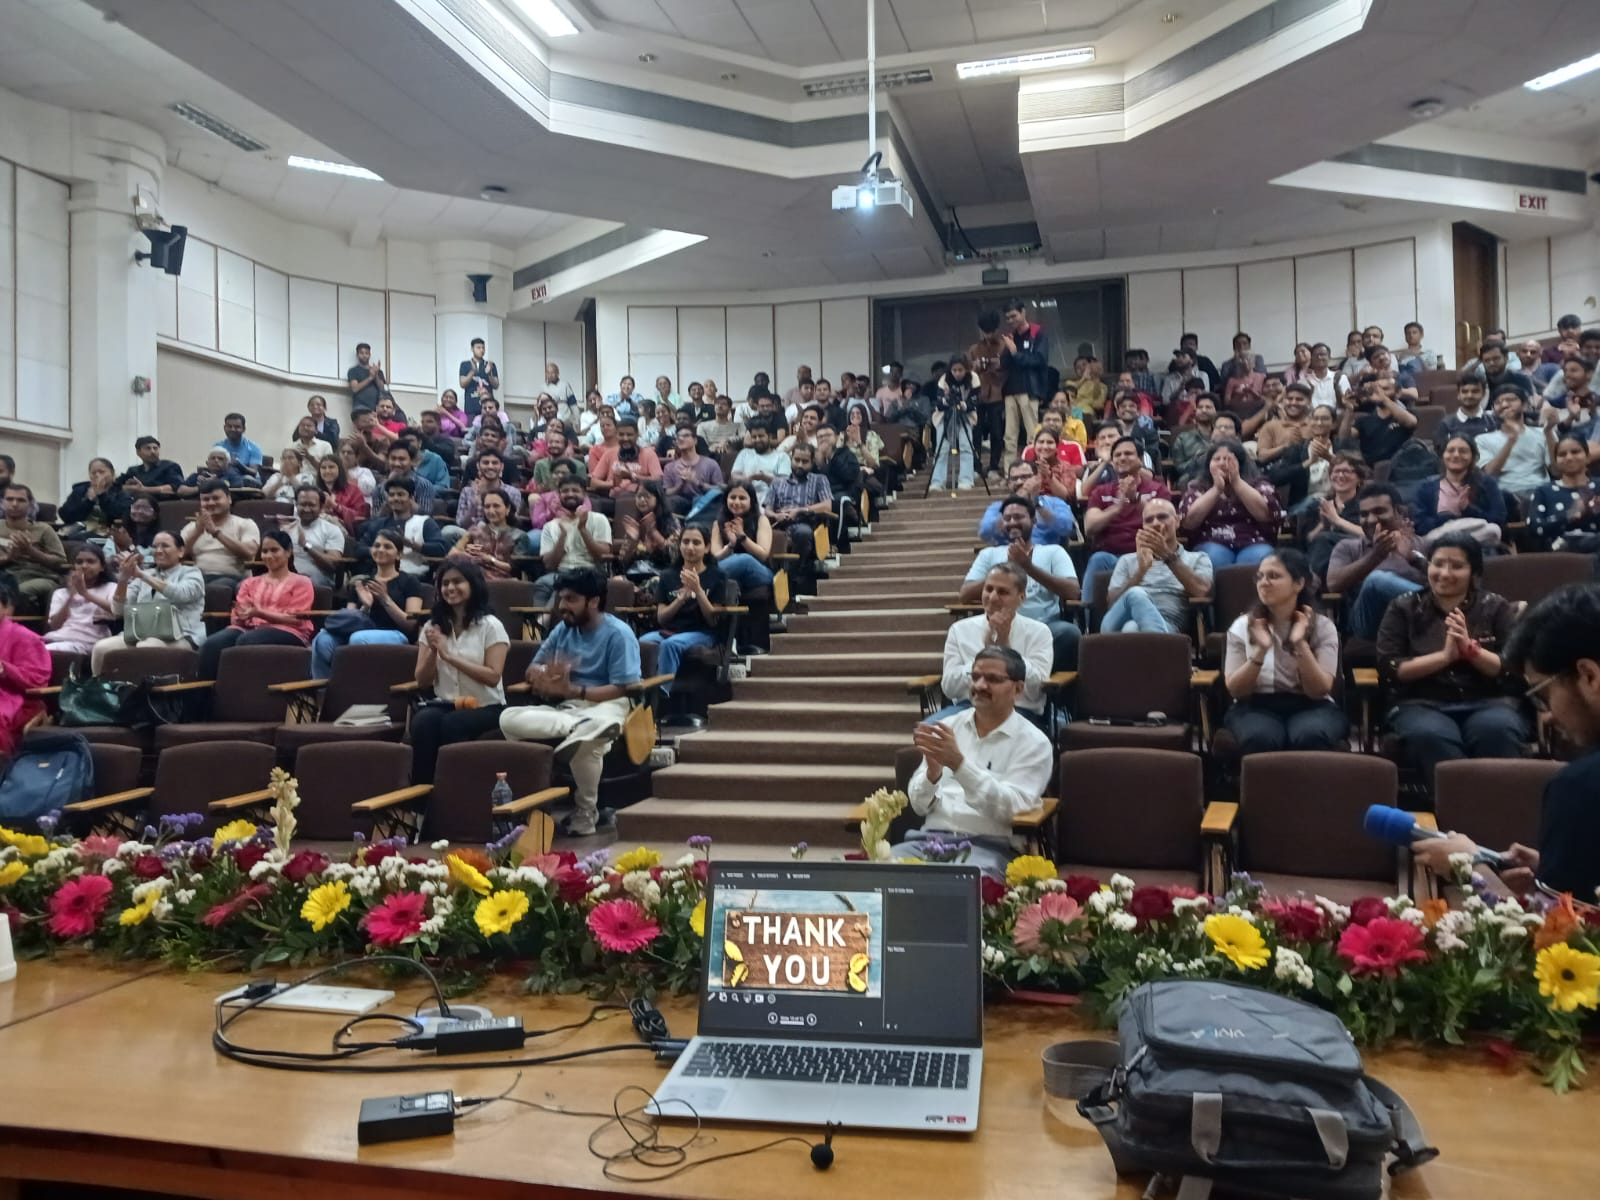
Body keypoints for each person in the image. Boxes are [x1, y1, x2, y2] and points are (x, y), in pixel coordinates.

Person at [1413, 583, 1600, 899]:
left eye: (1543, 694)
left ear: (1589, 676)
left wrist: (1471, 869)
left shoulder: (1583, 788)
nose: (1549, 715)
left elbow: (1562, 937)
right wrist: (1553, 867)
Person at [1377, 533, 1527, 788]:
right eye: (1438, 563)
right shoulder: (1403, 607)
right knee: (1430, 735)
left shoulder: (1495, 607)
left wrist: (1472, 652)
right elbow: (1391, 667)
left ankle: (1500, 811)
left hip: (1489, 701)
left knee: (1497, 730)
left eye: (1457, 566)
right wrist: (1445, 657)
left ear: (1474, 573)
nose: (1444, 573)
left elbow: (1512, 667)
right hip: (1420, 702)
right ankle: (1461, 812)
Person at [500, 568, 641, 838]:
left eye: (570, 599)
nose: (562, 606)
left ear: (594, 601)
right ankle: (581, 727)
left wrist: (573, 689)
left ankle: (586, 812)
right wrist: (545, 677)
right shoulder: (563, 630)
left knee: (589, 745)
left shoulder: (618, 634)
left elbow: (623, 687)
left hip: (610, 703)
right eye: (561, 599)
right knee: (507, 718)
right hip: (569, 710)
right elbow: (533, 669)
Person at [892, 645, 1054, 880]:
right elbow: (918, 805)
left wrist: (959, 765)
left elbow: (1012, 810)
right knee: (878, 876)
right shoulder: (949, 727)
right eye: (975, 676)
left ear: (1018, 689)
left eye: (992, 679)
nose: (979, 686)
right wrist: (932, 776)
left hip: (989, 848)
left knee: (960, 886)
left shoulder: (1034, 743)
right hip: (927, 843)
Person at [1220, 549, 1346, 755]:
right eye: (1260, 576)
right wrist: (1261, 650)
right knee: (1260, 738)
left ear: (1299, 583)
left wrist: (1300, 643)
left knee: (1310, 735)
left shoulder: (1323, 627)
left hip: (1312, 705)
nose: (1263, 582)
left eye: (1274, 576)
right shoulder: (1242, 626)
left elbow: (1319, 690)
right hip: (1254, 705)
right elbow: (1236, 690)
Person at [409, 560, 510, 784]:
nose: (450, 588)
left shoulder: (490, 626)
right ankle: (420, 801)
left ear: (473, 585)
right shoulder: (431, 627)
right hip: (446, 703)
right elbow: (422, 681)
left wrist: (450, 656)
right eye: (445, 583)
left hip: (487, 706)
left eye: (457, 581)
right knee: (423, 722)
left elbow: (493, 677)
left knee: (454, 724)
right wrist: (434, 651)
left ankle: (455, 791)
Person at [960, 496, 1080, 671]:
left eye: (1018, 517)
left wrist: (1028, 567)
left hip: (1043, 627)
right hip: (995, 625)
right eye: (1007, 518)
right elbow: (965, 594)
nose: (1012, 522)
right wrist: (1006, 570)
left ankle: (1053, 692)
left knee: (1069, 633)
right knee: (963, 631)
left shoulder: (1053, 552)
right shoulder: (989, 554)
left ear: (1033, 520)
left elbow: (1073, 592)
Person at [939, 563, 1051, 726]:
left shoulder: (1039, 632)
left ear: (1021, 597)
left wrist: (1006, 649)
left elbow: (1036, 690)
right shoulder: (959, 630)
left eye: (1003, 592)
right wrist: (985, 657)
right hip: (967, 708)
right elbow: (949, 687)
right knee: (930, 734)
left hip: (1017, 710)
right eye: (988, 589)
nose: (992, 597)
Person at [308, 529, 426, 679]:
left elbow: (411, 624)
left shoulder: (410, 582)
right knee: (322, 640)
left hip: (397, 634)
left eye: (387, 546)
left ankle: (350, 687)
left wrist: (385, 599)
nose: (380, 550)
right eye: (377, 546)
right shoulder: (361, 582)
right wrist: (365, 607)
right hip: (358, 632)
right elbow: (349, 622)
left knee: (358, 639)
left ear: (399, 554)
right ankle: (323, 693)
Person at [196, 530, 314, 680]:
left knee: (247, 641)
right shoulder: (250, 582)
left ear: (288, 552)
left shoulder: (302, 582)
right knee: (212, 645)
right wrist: (241, 614)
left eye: (274, 550)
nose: (269, 555)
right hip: (248, 628)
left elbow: (296, 618)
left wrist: (259, 613)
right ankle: (202, 700)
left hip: (289, 631)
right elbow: (239, 614)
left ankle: (237, 692)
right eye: (265, 551)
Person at [91, 532, 206, 673]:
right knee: (101, 648)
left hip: (182, 636)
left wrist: (142, 575)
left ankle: (141, 693)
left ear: (181, 551)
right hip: (140, 634)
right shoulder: (144, 576)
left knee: (145, 646)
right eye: (155, 546)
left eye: (165, 546)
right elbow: (118, 611)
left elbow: (180, 594)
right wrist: (123, 580)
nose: (158, 551)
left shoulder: (191, 573)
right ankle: (99, 692)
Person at [1326, 482, 1429, 640]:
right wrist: (1376, 555)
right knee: (1376, 581)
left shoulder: (1421, 544)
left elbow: (1441, 583)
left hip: (1411, 622)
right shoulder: (1348, 547)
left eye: (1379, 511)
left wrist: (1412, 558)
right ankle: (1434, 613)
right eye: (1364, 514)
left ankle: (1433, 615)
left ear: (1400, 512)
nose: (1371, 520)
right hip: (1369, 623)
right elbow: (1333, 584)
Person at [1102, 497, 1213, 634]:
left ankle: (1155, 643)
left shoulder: (1198, 558)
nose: (1155, 523)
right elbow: (1112, 604)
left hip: (1168, 624)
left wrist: (1168, 556)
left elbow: (1202, 591)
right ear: (1143, 526)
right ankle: (1160, 646)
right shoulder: (1127, 561)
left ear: (1177, 521)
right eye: (1149, 520)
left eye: (1162, 517)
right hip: (1119, 622)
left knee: (1131, 629)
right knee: (1135, 594)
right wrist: (1140, 572)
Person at [1082, 436, 1170, 602]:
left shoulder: (1158, 489)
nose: (1122, 458)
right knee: (1098, 559)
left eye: (1128, 453)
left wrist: (1135, 498)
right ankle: (1089, 618)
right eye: (1117, 455)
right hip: (1110, 556)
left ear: (1140, 460)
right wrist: (1117, 507)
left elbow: (1164, 524)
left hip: (1148, 554)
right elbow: (1090, 527)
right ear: (1113, 462)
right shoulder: (1101, 492)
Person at [641, 525, 725, 694]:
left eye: (696, 542)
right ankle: (639, 696)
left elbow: (713, 620)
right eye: (685, 542)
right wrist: (680, 599)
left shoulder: (717, 575)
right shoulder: (668, 575)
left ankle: (662, 699)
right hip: (671, 630)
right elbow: (661, 618)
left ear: (707, 547)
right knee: (640, 643)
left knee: (670, 645)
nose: (690, 547)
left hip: (703, 632)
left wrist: (698, 591)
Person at [1178, 440, 1282, 569]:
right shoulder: (1197, 487)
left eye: (1228, 459)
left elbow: (1265, 515)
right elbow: (1189, 522)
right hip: (1211, 541)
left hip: (1254, 541)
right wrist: (1216, 489)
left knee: (1261, 558)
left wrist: (1237, 482)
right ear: (1209, 464)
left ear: (1241, 463)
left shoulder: (1260, 485)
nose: (1222, 463)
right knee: (1212, 559)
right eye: (1217, 459)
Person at [708, 482, 774, 653]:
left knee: (743, 559)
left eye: (742, 498)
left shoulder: (761, 519)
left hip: (760, 572)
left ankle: (704, 580)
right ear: (726, 499)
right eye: (733, 497)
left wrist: (742, 538)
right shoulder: (719, 523)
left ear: (751, 501)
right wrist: (730, 545)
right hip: (730, 574)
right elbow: (715, 556)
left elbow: (763, 554)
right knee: (731, 582)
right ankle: (732, 643)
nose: (737, 502)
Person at [1411, 434, 1507, 544]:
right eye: (1451, 450)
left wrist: (1468, 509)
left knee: (1493, 529)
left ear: (1473, 456)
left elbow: (1498, 519)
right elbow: (1420, 525)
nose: (1456, 455)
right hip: (1440, 540)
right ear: (1442, 455)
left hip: (1477, 540)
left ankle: (1460, 543)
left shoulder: (1487, 483)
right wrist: (1449, 515)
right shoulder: (1426, 486)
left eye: (1463, 451)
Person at [763, 443, 833, 592]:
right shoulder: (777, 482)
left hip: (805, 524)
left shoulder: (820, 480)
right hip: (779, 525)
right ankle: (772, 583)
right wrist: (776, 515)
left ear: (812, 461)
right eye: (797, 460)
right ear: (791, 459)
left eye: (805, 461)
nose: (800, 465)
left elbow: (827, 506)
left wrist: (800, 510)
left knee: (802, 533)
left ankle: (794, 579)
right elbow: (767, 509)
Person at [533, 478, 613, 607]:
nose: (570, 494)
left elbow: (602, 556)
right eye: (565, 491)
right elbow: (549, 565)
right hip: (559, 573)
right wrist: (562, 537)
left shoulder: (599, 519)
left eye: (575, 490)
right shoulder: (550, 526)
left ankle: (543, 623)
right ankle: (537, 622)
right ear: (559, 496)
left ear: (584, 494)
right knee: (542, 583)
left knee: (565, 587)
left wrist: (582, 529)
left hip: (589, 573)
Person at [1477, 386, 1552, 508]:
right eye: (1498, 402)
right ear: (1492, 409)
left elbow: (1556, 471)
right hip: (1505, 494)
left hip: (1540, 490)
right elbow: (1489, 473)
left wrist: (1549, 432)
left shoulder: (1543, 433)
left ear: (1525, 405)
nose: (1504, 404)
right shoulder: (1482, 439)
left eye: (1511, 399)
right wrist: (1511, 440)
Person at [0, 576, 50, 756]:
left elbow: (38, 680)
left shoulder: (26, 637)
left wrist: (5, 670)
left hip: (16, 697)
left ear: (6, 608)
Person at [358, 477, 447, 577]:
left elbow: (440, 549)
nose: (395, 498)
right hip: (380, 575)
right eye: (392, 495)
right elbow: (360, 549)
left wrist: (412, 545)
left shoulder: (425, 522)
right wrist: (380, 551)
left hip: (415, 576)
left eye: (400, 494)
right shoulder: (379, 524)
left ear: (411, 498)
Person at [181, 480, 261, 591]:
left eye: (216, 498)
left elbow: (249, 553)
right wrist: (197, 531)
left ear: (229, 499)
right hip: (198, 577)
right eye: (205, 499)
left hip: (232, 578)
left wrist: (216, 533)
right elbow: (178, 554)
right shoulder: (192, 527)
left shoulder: (245, 524)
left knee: (214, 588)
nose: (211, 503)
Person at [0, 484, 67, 613]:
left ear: (30, 504)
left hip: (38, 577)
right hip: (5, 576)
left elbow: (61, 562)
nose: (14, 504)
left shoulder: (43, 529)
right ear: (2, 502)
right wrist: (8, 558)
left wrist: (30, 551)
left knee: (16, 591)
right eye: (9, 499)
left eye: (21, 500)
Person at [1528, 434, 1600, 551]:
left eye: (1575, 452)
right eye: (1562, 454)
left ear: (1588, 457)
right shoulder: (1544, 491)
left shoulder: (1598, 487)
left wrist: (1595, 511)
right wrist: (1570, 515)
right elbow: (1535, 528)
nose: (1569, 458)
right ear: (1556, 461)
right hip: (1560, 549)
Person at [979, 460, 1074, 547]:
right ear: (1009, 483)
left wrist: (1037, 505)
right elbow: (985, 532)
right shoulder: (997, 507)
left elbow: (1066, 528)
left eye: (1024, 477)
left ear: (1037, 479)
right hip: (1009, 556)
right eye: (1014, 479)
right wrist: (1016, 502)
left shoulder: (1054, 502)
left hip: (1045, 556)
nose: (1019, 482)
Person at [44, 547, 117, 658]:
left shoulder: (110, 588)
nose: (84, 566)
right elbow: (54, 626)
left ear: (102, 567)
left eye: (90, 561)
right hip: (56, 639)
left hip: (88, 642)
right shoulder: (61, 593)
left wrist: (85, 593)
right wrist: (70, 596)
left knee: (42, 652)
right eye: (79, 562)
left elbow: (117, 610)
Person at [999, 300, 1049, 463]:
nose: (1011, 320)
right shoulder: (1011, 336)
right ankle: (1009, 473)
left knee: (1033, 434)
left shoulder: (1037, 333)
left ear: (1023, 312)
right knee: (1009, 436)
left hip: (1029, 389)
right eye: (1008, 318)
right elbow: (1004, 364)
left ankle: (1036, 468)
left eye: (1014, 316)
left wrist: (1015, 352)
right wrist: (1006, 350)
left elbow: (1040, 360)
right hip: (1010, 390)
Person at [1304, 455, 1367, 583]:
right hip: (1323, 561)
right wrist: (1323, 525)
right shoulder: (1318, 505)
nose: (1340, 475)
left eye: (1346, 471)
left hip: (1354, 557)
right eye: (1336, 471)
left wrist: (1337, 520)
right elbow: (1309, 540)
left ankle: (1312, 583)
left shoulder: (1366, 505)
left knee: (1324, 539)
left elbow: (1370, 536)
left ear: (1359, 478)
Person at [968, 309, 1009, 479]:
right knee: (975, 432)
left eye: (990, 331)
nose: (987, 335)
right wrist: (974, 367)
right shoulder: (974, 349)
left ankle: (994, 466)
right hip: (978, 394)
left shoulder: (1004, 345)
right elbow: (966, 372)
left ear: (996, 329)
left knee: (997, 432)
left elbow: (1009, 369)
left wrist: (997, 365)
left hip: (998, 393)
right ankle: (976, 467)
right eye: (984, 331)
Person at [615, 480, 680, 585]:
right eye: (639, 496)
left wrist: (653, 532)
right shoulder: (635, 524)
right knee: (616, 582)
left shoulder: (671, 522)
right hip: (636, 574)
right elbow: (623, 562)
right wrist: (633, 541)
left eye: (646, 496)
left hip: (662, 574)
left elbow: (674, 558)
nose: (642, 500)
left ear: (658, 499)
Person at [931, 356, 982, 489]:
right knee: (941, 449)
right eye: (954, 370)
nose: (957, 373)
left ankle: (966, 479)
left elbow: (975, 400)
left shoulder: (973, 378)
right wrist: (947, 399)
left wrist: (964, 405)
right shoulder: (944, 379)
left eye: (961, 370)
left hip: (966, 416)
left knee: (966, 447)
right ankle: (937, 482)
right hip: (944, 417)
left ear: (966, 369)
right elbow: (939, 403)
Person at [283, 486, 346, 588]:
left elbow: (332, 564)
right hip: (286, 575)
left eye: (312, 505)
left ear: (321, 507)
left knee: (302, 583)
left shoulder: (331, 530)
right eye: (303, 505)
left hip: (317, 579)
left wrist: (306, 546)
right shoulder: (286, 528)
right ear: (296, 505)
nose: (307, 509)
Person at [451, 488, 518, 579]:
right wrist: (466, 553)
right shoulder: (475, 531)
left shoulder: (518, 535)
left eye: (496, 506)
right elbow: (452, 555)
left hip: (503, 582)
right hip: (475, 578)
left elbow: (515, 569)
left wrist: (490, 559)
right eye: (487, 506)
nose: (491, 511)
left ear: (507, 509)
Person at [59, 458, 128, 537]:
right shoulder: (80, 490)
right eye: (93, 473)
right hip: (78, 530)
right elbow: (65, 515)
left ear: (112, 473)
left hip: (107, 533)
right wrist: (89, 501)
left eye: (101, 472)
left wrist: (101, 495)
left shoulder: (120, 492)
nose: (97, 475)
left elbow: (119, 515)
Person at [663, 424, 724, 512]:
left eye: (686, 436)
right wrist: (680, 485)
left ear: (695, 440)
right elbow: (667, 493)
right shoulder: (669, 467)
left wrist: (697, 482)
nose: (681, 439)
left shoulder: (710, 464)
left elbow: (719, 490)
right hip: (682, 503)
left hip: (704, 502)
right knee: (669, 501)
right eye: (678, 437)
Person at [1433, 374, 1493, 452]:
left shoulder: (1492, 422)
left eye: (1475, 391)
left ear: (1483, 394)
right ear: (1458, 394)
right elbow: (1442, 454)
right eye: (1464, 392)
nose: (1469, 395)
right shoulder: (1446, 424)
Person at [1170, 394, 1220, 487]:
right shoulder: (1183, 438)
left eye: (1208, 407)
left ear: (1216, 411)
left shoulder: (1223, 437)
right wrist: (1196, 460)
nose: (1204, 410)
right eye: (1200, 407)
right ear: (1195, 411)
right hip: (1193, 477)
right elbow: (1179, 468)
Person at [117, 436, 184, 500]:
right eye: (148, 448)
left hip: (164, 504)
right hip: (139, 505)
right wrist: (126, 488)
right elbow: (116, 486)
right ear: (138, 452)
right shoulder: (133, 470)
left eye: (155, 448)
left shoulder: (170, 466)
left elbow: (176, 488)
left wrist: (144, 489)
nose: (153, 451)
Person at [319, 455, 370, 533]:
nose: (327, 471)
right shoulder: (315, 491)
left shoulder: (353, 490)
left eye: (331, 467)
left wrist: (336, 506)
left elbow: (360, 517)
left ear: (339, 469)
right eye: (323, 468)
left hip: (345, 533)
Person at [178, 449, 258, 497]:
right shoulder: (197, 476)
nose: (216, 461)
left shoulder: (233, 476)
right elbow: (181, 491)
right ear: (207, 463)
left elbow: (236, 492)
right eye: (213, 458)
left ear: (228, 463)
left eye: (220, 459)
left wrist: (214, 483)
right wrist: (200, 487)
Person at [458, 337, 499, 415]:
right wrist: (472, 372)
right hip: (471, 407)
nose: (481, 350)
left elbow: (496, 385)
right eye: (478, 348)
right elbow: (462, 384)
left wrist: (489, 374)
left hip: (488, 408)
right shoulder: (465, 364)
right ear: (472, 349)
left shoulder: (490, 365)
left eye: (483, 348)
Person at [348, 342, 386, 414]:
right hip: (359, 407)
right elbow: (355, 389)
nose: (364, 355)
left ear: (370, 355)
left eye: (366, 353)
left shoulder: (377, 371)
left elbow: (382, 388)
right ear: (357, 355)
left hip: (376, 408)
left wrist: (376, 375)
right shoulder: (353, 371)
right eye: (361, 353)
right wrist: (370, 378)